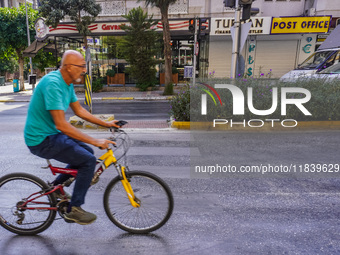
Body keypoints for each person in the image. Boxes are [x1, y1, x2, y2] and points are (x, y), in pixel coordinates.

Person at [24, 50, 119, 225]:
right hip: (40, 139)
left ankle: (54, 189)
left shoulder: (67, 83)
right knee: (88, 161)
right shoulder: (53, 84)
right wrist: (96, 140)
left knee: (86, 152)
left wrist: (106, 124)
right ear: (68, 67)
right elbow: (61, 125)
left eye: (85, 66)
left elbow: (79, 111)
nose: (84, 70)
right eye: (81, 66)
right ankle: (74, 209)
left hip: (50, 133)